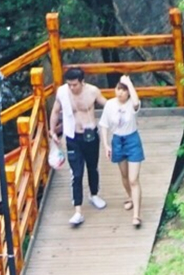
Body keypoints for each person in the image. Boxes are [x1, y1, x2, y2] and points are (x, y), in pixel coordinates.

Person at [48, 66, 105, 226]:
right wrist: (52, 131)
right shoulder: (62, 92)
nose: (72, 88)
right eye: (70, 84)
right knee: (77, 172)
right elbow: (55, 111)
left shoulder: (92, 91)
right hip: (72, 136)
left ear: (82, 82)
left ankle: (94, 194)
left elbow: (107, 105)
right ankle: (78, 210)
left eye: (75, 84)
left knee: (92, 167)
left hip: (90, 133)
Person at [102, 73, 145, 227]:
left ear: (128, 92)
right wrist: (106, 144)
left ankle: (136, 215)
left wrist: (129, 82)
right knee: (124, 176)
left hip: (132, 140)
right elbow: (104, 125)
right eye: (118, 89)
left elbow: (135, 102)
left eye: (123, 90)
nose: (120, 92)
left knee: (134, 179)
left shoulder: (131, 104)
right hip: (117, 141)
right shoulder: (110, 104)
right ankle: (131, 197)